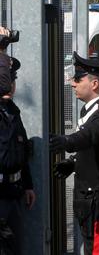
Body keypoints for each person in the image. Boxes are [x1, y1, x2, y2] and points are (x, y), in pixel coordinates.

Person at [49, 52, 99, 254]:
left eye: (77, 79)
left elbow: (90, 136)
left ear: (94, 84)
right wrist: (74, 163)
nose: (73, 84)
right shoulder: (91, 110)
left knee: (98, 251)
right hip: (92, 199)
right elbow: (97, 148)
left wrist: (66, 141)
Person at [0, 26, 35, 254]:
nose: (11, 83)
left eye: (13, 77)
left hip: (13, 191)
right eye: (7, 76)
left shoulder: (11, 110)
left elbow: (20, 151)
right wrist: (2, 48)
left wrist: (28, 185)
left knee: (16, 248)